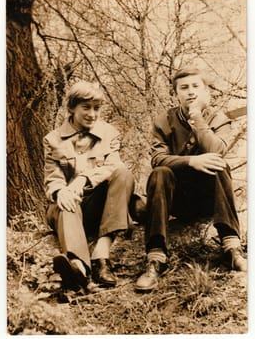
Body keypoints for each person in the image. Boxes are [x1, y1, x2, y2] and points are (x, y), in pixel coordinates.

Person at [135, 67, 247, 292]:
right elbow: (158, 158)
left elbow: (218, 150)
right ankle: (156, 258)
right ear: (176, 93)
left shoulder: (218, 119)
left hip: (209, 199)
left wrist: (197, 117)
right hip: (176, 200)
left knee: (218, 164)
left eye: (196, 86)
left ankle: (232, 248)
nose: (190, 92)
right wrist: (191, 162)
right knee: (160, 173)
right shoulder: (163, 121)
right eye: (184, 88)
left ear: (206, 91)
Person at [43, 80, 135, 289]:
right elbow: (52, 177)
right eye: (86, 108)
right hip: (68, 210)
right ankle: (78, 267)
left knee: (123, 173)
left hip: (99, 209)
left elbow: (113, 165)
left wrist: (84, 178)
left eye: (96, 109)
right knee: (67, 201)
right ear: (71, 108)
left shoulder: (109, 133)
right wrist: (60, 192)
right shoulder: (53, 140)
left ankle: (101, 257)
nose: (92, 114)